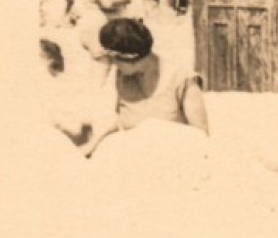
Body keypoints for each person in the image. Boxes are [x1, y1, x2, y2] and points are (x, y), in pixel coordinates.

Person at [76, 18, 209, 158]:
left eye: (114, 59)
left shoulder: (182, 79)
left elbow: (200, 136)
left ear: (130, 58)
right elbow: (123, 119)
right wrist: (93, 143)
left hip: (173, 158)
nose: (113, 64)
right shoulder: (124, 75)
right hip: (136, 156)